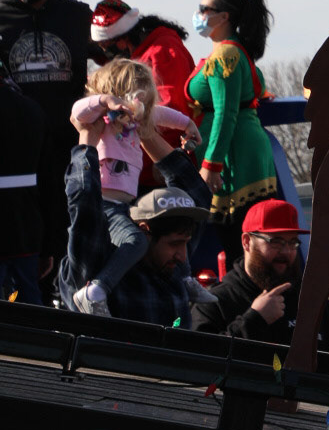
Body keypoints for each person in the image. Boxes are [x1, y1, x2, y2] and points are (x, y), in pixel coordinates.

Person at [67, 56, 201, 315]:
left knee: (167, 232)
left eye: (145, 101)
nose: (140, 108)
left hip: (125, 203)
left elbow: (163, 115)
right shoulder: (104, 119)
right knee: (137, 241)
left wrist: (187, 124)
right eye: (136, 99)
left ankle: (185, 279)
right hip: (105, 204)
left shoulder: (137, 123)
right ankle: (97, 289)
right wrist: (105, 101)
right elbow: (77, 111)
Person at [59, 113, 211, 326]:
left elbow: (197, 192)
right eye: (175, 244)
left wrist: (143, 129)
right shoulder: (97, 262)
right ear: (144, 231)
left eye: (185, 243)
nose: (183, 256)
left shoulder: (172, 267)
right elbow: (85, 205)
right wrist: (87, 139)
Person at [0, 0, 94, 276]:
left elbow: (111, 54)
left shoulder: (77, 15)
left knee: (64, 215)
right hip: (16, 139)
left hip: (64, 136)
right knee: (22, 220)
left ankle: (62, 282)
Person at [189, 198, 329, 355]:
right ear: (247, 242)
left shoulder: (315, 307)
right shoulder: (214, 304)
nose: (286, 252)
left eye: (293, 242)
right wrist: (254, 320)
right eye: (276, 241)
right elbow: (199, 360)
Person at [187, 0, 278, 225]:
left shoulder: (226, 55)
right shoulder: (235, 50)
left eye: (203, 8)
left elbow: (226, 113)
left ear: (223, 17)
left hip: (233, 155)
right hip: (239, 148)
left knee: (239, 235)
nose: (198, 14)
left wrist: (212, 165)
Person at [90, 0, 198, 117]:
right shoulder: (139, 55)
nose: (105, 51)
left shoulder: (163, 51)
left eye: (105, 45)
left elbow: (172, 105)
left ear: (123, 37)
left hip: (170, 127)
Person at [0, 54, 50, 304]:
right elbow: (49, 181)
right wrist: (49, 244)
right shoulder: (32, 109)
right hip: (26, 227)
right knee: (29, 306)